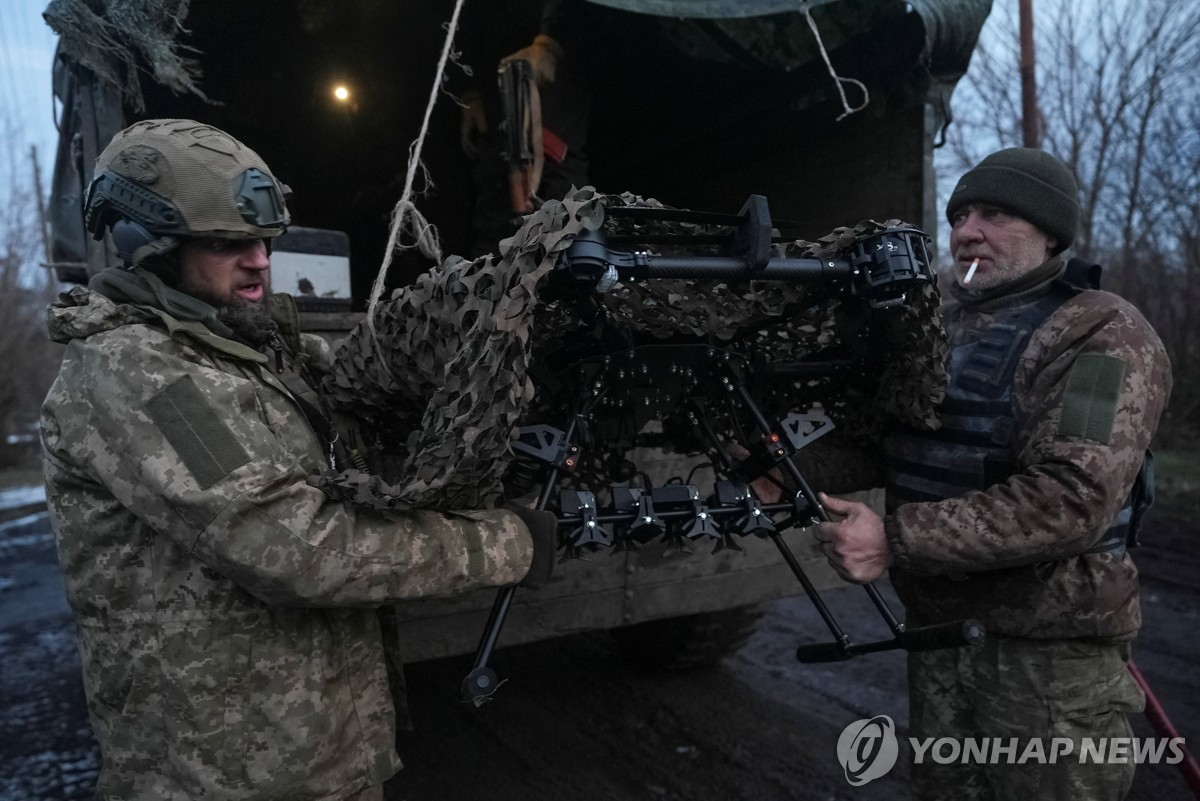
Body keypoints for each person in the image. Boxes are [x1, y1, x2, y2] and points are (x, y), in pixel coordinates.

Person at [40, 118, 556, 801]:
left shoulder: (245, 350)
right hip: (223, 779)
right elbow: (296, 548)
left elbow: (355, 438)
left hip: (308, 761)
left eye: (262, 240)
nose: (260, 260)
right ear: (149, 246)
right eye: (229, 244)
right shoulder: (143, 379)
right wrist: (505, 542)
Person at [761, 148, 1171, 800]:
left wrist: (895, 538)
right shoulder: (939, 323)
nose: (966, 230)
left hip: (1047, 665)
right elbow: (888, 438)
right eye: (960, 215)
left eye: (995, 213)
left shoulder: (1103, 334)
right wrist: (782, 466)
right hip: (938, 642)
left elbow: (1070, 498)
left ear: (1050, 233)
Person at [456, 0, 592, 257]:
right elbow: (465, 19)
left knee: (556, 168)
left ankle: (565, 264)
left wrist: (548, 42)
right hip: (495, 68)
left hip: (553, 61)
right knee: (495, 178)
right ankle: (489, 279)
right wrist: (469, 92)